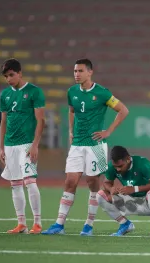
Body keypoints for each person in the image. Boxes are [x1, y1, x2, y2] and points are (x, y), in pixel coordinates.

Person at [42, 59, 129, 235]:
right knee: (70, 182)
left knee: (92, 182)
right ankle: (59, 224)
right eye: (75, 71)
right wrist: (71, 130)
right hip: (77, 144)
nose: (76, 74)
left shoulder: (102, 93)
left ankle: (88, 224)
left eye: (80, 71)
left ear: (90, 72)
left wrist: (108, 131)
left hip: (96, 145)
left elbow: (123, 110)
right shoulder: (72, 92)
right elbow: (72, 110)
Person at [0, 58, 45, 234]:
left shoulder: (34, 92)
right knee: (15, 184)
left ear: (20, 73)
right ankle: (21, 224)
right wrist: (2, 147)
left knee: (30, 183)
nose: (9, 79)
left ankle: (38, 223)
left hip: (27, 144)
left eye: (11, 75)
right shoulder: (5, 95)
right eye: (6, 76)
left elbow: (41, 120)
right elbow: (3, 121)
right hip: (10, 145)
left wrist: (35, 145)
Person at [97, 146, 150, 237]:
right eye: (115, 167)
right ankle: (125, 224)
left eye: (120, 166)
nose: (118, 169)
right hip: (130, 202)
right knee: (100, 196)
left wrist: (134, 189)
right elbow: (106, 183)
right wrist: (111, 189)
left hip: (149, 203)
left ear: (128, 159)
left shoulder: (142, 163)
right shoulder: (112, 166)